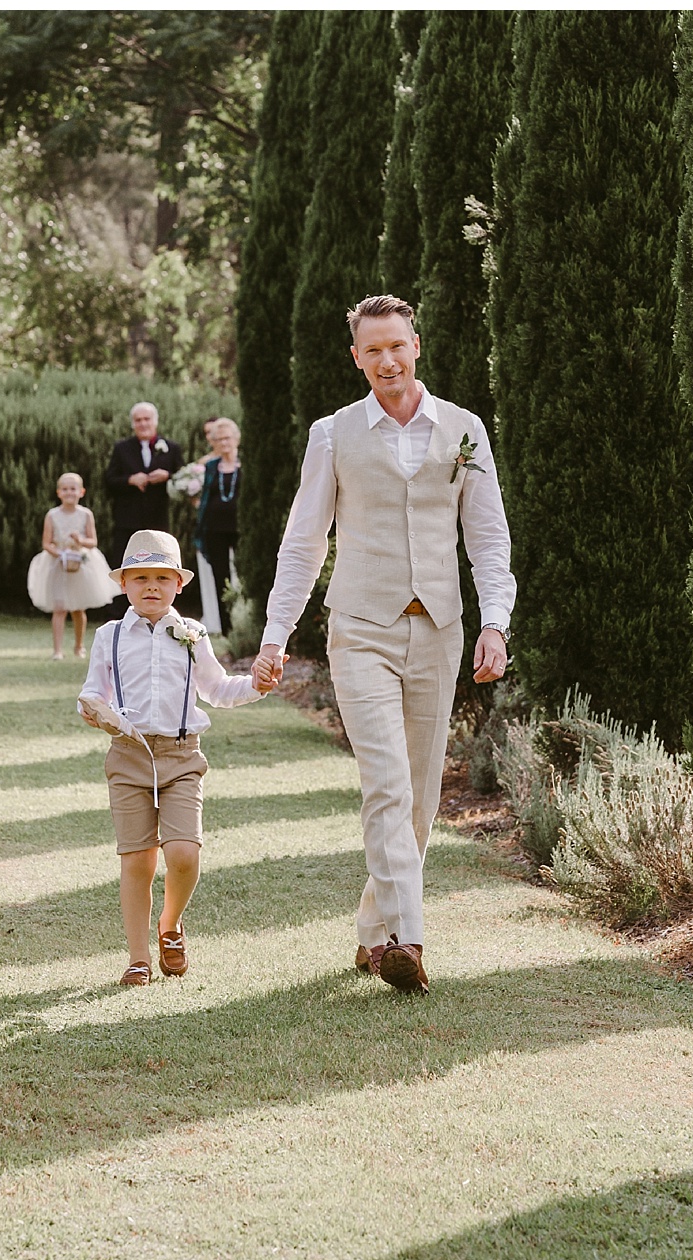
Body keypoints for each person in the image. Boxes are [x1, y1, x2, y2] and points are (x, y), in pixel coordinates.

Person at [254, 294, 513, 994]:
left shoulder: (464, 430)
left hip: (439, 630)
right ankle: (408, 938)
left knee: (422, 799)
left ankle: (373, 930)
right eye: (373, 350)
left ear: (416, 345)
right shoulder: (333, 434)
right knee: (387, 783)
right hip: (360, 629)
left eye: (396, 345)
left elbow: (486, 535)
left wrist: (496, 621)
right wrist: (275, 636)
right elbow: (304, 542)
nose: (386, 360)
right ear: (357, 357)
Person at [79, 529, 266, 985]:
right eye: (140, 577)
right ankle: (137, 957)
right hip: (128, 755)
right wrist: (91, 709)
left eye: (162, 578)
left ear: (178, 585)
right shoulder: (110, 636)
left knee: (183, 852)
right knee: (137, 859)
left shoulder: (191, 634)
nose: (151, 586)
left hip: (182, 756)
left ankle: (170, 923)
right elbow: (92, 692)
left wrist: (257, 684)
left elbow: (218, 688)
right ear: (124, 583)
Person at [103, 401, 185, 619]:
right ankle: (121, 614)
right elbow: (109, 480)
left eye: (147, 419)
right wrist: (130, 479)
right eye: (138, 420)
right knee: (126, 564)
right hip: (127, 519)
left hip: (158, 519)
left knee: (161, 564)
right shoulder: (122, 448)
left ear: (155, 421)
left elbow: (183, 477)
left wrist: (166, 476)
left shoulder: (172, 447)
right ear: (133, 424)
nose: (143, 423)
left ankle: (162, 611)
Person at [26, 472, 116, 659]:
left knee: (78, 607)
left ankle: (79, 646)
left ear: (81, 492)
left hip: (80, 563)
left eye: (73, 489)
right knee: (59, 607)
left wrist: (80, 540)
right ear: (59, 492)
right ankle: (57, 650)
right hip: (57, 564)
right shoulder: (52, 515)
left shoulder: (85, 514)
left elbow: (93, 541)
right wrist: (60, 553)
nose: (69, 493)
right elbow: (46, 543)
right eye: (65, 489)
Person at [193, 417, 243, 636]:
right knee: (221, 578)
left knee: (244, 575)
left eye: (227, 438)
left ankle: (248, 622)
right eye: (219, 439)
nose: (224, 443)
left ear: (236, 439)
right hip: (215, 530)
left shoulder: (246, 463)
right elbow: (204, 495)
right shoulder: (211, 466)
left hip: (241, 529)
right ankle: (227, 628)